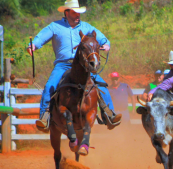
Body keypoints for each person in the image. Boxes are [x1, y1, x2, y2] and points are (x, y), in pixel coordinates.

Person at [26, 0, 121, 132]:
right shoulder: (55, 27)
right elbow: (41, 37)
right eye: (74, 12)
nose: (77, 15)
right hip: (63, 65)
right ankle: (45, 117)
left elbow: (102, 38)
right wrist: (33, 45)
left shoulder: (87, 27)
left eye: (78, 12)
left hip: (84, 66)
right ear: (66, 12)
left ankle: (109, 114)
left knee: (101, 84)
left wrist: (105, 44)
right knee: (49, 87)